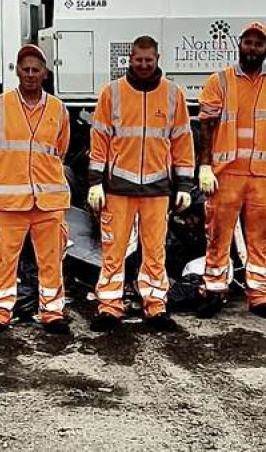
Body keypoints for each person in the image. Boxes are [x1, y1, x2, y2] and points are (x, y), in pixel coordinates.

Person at [87, 35, 195, 333]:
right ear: (130, 59)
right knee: (114, 250)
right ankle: (109, 307)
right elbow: (99, 140)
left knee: (155, 251)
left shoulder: (174, 94)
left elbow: (182, 142)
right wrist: (95, 182)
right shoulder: (112, 93)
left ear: (157, 59)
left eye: (149, 60)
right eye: (138, 60)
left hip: (158, 189)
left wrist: (185, 185)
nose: (144, 65)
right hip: (118, 187)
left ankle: (156, 306)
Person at [196, 21, 266, 320]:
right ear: (239, 44)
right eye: (248, 42)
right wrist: (204, 165)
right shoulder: (220, 81)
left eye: (258, 44)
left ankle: (258, 295)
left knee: (261, 238)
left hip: (263, 176)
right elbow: (206, 126)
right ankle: (213, 291)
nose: (252, 48)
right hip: (226, 173)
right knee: (217, 235)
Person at [0, 44, 72, 336]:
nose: (30, 74)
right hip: (9, 203)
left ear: (45, 73)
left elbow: (61, 150)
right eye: (25, 69)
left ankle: (52, 312)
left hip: (48, 200)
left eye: (36, 70)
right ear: (17, 71)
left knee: (51, 259)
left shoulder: (59, 109)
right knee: (3, 261)